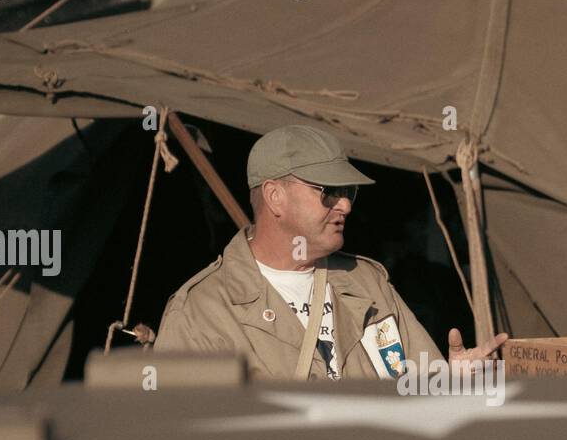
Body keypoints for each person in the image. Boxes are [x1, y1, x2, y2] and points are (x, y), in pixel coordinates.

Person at [155, 125, 507, 379]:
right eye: (327, 192)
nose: (345, 206)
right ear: (275, 196)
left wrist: (448, 384)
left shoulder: (367, 282)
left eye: (347, 192)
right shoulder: (201, 313)